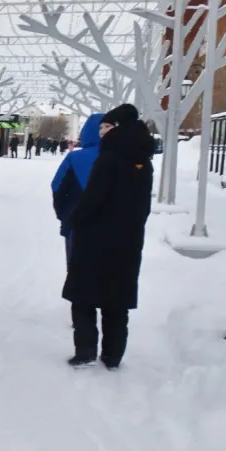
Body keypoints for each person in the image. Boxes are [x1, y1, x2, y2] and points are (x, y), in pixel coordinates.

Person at [62, 104, 155, 369]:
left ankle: (86, 351)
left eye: (105, 127)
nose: (101, 132)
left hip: (96, 238)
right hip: (127, 240)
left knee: (83, 297)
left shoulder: (110, 157)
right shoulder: (143, 160)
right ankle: (113, 356)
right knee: (116, 300)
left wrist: (77, 220)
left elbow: (93, 199)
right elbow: (143, 206)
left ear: (116, 128)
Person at [51, 113, 104, 262]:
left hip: (76, 223)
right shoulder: (123, 158)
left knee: (77, 270)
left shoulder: (74, 158)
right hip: (112, 228)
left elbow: (57, 187)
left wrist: (63, 214)